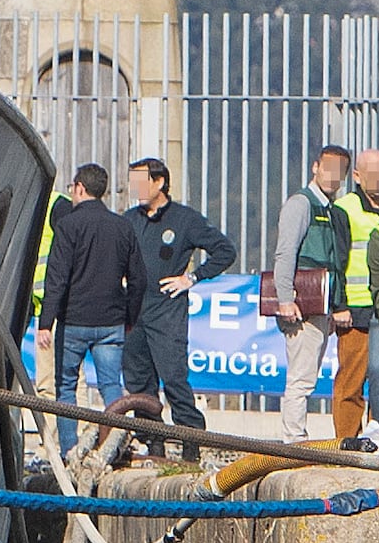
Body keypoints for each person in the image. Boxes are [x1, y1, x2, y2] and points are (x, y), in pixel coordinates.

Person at [120, 156, 232, 443]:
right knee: (138, 382)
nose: (135, 188)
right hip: (134, 311)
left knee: (173, 378)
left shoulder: (184, 219)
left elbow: (224, 250)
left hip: (167, 310)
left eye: (141, 181)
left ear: (159, 183)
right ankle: (150, 443)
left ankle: (193, 442)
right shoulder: (129, 219)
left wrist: (191, 278)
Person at [36, 163, 145, 430]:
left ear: (80, 188)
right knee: (111, 387)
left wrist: (46, 322)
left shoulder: (69, 225)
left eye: (73, 188)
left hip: (73, 321)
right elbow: (139, 279)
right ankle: (114, 444)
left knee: (65, 389)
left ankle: (69, 452)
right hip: (111, 322)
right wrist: (129, 317)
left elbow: (57, 278)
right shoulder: (122, 226)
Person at [268, 143, 354, 436]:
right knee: (300, 378)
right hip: (300, 307)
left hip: (320, 306)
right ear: (315, 167)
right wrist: (285, 299)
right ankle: (294, 438)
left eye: (339, 172)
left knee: (307, 375)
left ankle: (296, 436)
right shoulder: (301, 204)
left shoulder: (330, 210)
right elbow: (285, 253)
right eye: (327, 168)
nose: (332, 176)